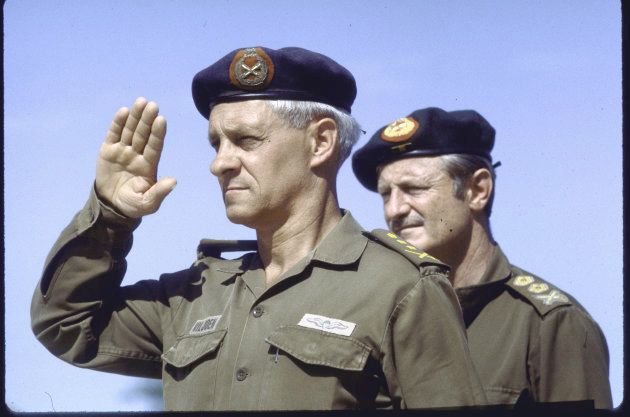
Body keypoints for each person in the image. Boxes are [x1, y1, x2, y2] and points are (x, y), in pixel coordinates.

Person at [30, 48, 487, 411]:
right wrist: (110, 214)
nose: (219, 163)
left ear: (321, 141)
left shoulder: (403, 289)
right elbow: (68, 325)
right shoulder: (195, 295)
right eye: (216, 143)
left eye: (246, 141)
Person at [351, 107, 613, 409]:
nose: (394, 209)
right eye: (386, 194)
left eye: (414, 189)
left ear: (478, 190)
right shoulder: (380, 315)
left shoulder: (551, 325)